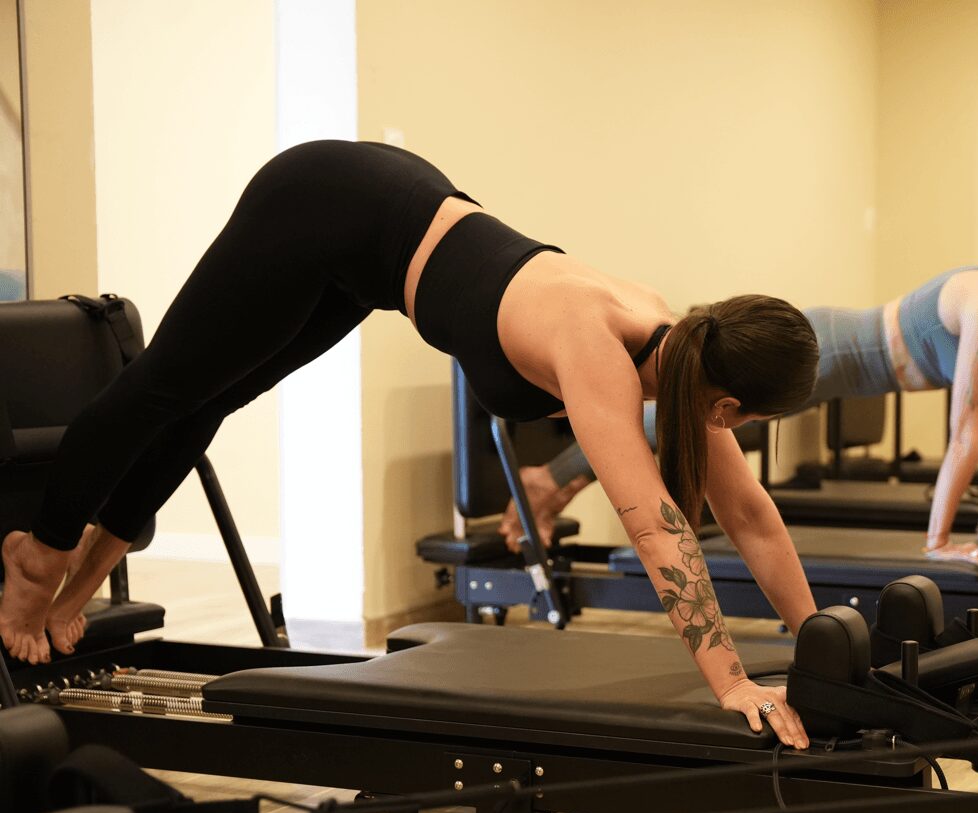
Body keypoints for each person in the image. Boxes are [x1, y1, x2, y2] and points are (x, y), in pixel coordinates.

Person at [0, 140, 819, 749]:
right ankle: (39, 554)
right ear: (732, 407)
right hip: (325, 199)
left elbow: (751, 515)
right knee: (167, 384)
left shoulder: (686, 358)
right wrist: (732, 682)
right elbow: (658, 531)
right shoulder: (600, 347)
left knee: (215, 397)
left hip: (373, 249)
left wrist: (820, 646)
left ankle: (89, 572)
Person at [501, 248, 978, 570]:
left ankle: (554, 479)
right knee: (682, 411)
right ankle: (548, 479)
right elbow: (966, 431)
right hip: (833, 347)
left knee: (689, 416)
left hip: (851, 370)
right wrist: (939, 544)